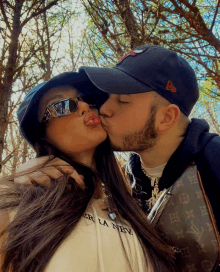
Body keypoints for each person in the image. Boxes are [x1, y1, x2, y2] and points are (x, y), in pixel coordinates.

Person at [17, 45, 220, 272]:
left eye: (122, 100)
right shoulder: (129, 188)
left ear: (165, 118)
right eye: (105, 97)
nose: (102, 108)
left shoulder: (212, 161)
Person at [0, 71, 177, 272]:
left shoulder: (137, 211)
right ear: (42, 135)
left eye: (88, 99)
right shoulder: (15, 202)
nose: (85, 106)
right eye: (63, 105)